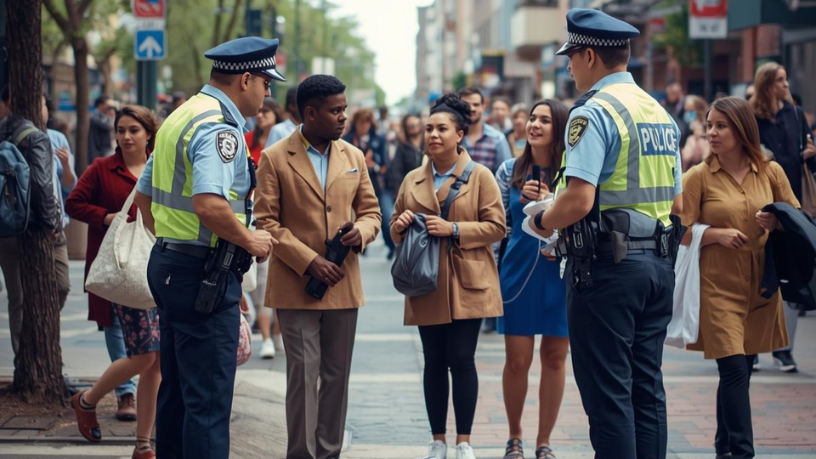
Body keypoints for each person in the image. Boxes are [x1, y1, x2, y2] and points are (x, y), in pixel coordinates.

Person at [527, 9, 683, 458]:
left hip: (608, 270)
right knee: (646, 389)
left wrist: (540, 221)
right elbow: (676, 202)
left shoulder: (593, 112)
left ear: (590, 54)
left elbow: (578, 199)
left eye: (571, 57)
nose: (569, 66)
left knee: (609, 394)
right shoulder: (659, 113)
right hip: (656, 265)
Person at [133, 37, 283, 459]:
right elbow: (209, 203)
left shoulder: (181, 115)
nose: (267, 92)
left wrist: (171, 241)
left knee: (178, 393)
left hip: (171, 265)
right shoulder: (219, 126)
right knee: (209, 403)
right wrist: (251, 239)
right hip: (203, 275)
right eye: (265, 82)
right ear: (245, 79)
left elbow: (144, 198)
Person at [254, 74, 381, 459]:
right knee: (303, 375)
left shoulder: (354, 156)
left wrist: (361, 231)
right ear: (309, 113)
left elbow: (371, 211)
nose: (343, 116)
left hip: (343, 284)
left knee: (337, 377)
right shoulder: (275, 157)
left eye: (343, 109)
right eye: (335, 110)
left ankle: (329, 453)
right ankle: (302, 454)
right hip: (296, 285)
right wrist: (310, 262)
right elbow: (266, 222)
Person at [681, 96, 800, 459]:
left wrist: (779, 221)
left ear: (742, 128)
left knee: (740, 371)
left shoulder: (771, 171)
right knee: (733, 368)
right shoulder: (698, 176)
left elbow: (797, 218)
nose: (712, 133)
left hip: (761, 284)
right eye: (709, 125)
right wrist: (714, 234)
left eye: (721, 126)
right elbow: (678, 231)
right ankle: (743, 453)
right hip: (717, 284)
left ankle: (723, 448)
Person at [390, 93, 505, 459]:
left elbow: (498, 226)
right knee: (433, 361)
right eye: (429, 128)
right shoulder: (412, 179)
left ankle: (464, 442)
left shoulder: (481, 176)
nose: (433, 135)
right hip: (425, 281)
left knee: (462, 358)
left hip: (468, 280)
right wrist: (401, 224)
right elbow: (393, 229)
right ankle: (437, 440)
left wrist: (454, 228)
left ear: (460, 134)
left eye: (442, 129)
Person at [67, 105, 161, 459]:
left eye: (133, 130)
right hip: (126, 271)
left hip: (161, 268)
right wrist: (106, 218)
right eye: (120, 130)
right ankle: (87, 399)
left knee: (158, 362)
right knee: (144, 355)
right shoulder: (102, 168)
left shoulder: (160, 167)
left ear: (148, 134)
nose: (125, 136)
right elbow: (74, 203)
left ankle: (143, 444)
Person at [494, 100, 569, 459]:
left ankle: (544, 441)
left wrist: (552, 202)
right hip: (518, 273)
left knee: (555, 358)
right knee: (517, 361)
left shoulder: (574, 171)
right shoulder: (509, 170)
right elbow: (498, 227)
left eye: (545, 120)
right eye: (532, 118)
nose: (534, 124)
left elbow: (583, 214)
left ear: (561, 129)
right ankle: (515, 436)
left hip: (559, 273)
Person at [750, 62, 816, 373]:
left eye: (786, 79)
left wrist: (809, 156)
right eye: (780, 80)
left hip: (793, 207)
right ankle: (752, 349)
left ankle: (784, 349)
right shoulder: (751, 116)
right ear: (766, 84)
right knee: (758, 276)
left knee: (791, 272)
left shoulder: (795, 114)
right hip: (760, 204)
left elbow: (806, 156)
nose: (786, 85)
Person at [0, 87, 60, 356]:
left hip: (6, 224)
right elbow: (41, 183)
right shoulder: (35, 137)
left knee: (18, 297)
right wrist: (50, 223)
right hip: (31, 225)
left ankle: (24, 358)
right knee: (26, 296)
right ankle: (29, 360)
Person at [343, 108, 393, 257]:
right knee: (355, 218)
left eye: (366, 123)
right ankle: (360, 245)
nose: (363, 126)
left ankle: (391, 246)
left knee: (385, 217)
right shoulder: (347, 140)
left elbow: (385, 165)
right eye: (360, 123)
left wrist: (373, 165)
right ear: (355, 123)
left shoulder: (379, 139)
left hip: (377, 185)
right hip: (352, 184)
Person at [458, 86, 513, 174]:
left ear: (483, 107)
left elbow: (506, 176)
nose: (472, 108)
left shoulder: (497, 139)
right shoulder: (452, 137)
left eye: (476, 104)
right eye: (466, 105)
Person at [386, 113, 424, 203]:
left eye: (415, 125)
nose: (413, 127)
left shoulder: (427, 142)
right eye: (410, 126)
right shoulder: (402, 146)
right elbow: (396, 170)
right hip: (409, 190)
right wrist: (399, 191)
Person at [245, 97, 282, 165]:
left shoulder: (285, 136)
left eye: (265, 111)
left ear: (276, 112)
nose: (259, 115)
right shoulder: (247, 138)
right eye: (258, 111)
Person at [681, 95, 710, 171]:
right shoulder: (690, 132)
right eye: (686, 111)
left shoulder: (704, 135)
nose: (688, 114)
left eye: (691, 111)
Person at [89, 95, 115, 165]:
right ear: (101, 105)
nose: (110, 109)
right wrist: (111, 117)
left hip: (106, 150)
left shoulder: (104, 117)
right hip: (100, 152)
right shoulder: (95, 117)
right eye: (108, 106)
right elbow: (107, 127)